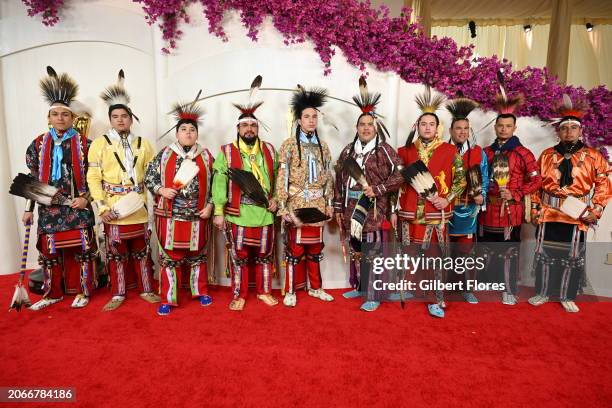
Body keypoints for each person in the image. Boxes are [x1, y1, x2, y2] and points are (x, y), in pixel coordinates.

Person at [529, 95, 611, 313]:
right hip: (549, 212)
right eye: (564, 128)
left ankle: (567, 295)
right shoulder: (546, 155)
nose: (569, 132)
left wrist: (596, 210)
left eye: (573, 128)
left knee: (572, 256)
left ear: (580, 131)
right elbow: (536, 185)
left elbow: (604, 184)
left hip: (577, 214)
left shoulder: (593, 156)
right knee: (545, 254)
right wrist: (535, 208)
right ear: (558, 131)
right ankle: (543, 292)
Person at [87, 69, 160, 311]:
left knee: (141, 251)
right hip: (114, 209)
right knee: (116, 254)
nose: (120, 120)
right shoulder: (100, 144)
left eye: (124, 116)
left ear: (131, 118)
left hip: (138, 208)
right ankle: (118, 293)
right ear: (110, 119)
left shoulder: (144, 144)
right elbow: (94, 177)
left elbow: (151, 176)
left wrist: (153, 205)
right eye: (115, 116)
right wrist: (101, 206)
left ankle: (147, 289)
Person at [25, 66, 96, 310]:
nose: (60, 118)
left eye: (65, 115)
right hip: (49, 208)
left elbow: (97, 176)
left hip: (77, 207)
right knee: (49, 253)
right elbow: (32, 177)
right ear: (49, 117)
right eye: (55, 114)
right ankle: (52, 293)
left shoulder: (86, 145)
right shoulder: (38, 144)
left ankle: (83, 291)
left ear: (73, 118)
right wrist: (28, 208)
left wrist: (87, 198)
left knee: (82, 250)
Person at [394, 86, 466, 318]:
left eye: (431, 124)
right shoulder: (404, 151)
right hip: (409, 212)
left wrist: (448, 199)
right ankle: (410, 288)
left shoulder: (449, 151)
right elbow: (396, 183)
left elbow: (461, 180)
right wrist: (395, 209)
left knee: (435, 257)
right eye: (423, 124)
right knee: (410, 253)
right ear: (417, 126)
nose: (427, 127)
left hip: (436, 214)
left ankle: (435, 298)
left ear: (438, 127)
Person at [333, 78, 403, 312]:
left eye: (370, 125)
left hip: (372, 209)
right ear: (357, 127)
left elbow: (401, 174)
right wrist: (337, 209)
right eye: (362, 124)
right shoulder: (347, 151)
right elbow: (338, 181)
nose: (365, 128)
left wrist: (379, 189)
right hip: (350, 207)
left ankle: (374, 294)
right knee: (356, 250)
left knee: (373, 252)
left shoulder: (384, 150)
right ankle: (360, 286)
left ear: (376, 128)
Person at [212, 80, 280, 311]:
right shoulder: (227, 152)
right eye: (245, 126)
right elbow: (219, 181)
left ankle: (264, 292)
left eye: (253, 125)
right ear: (238, 129)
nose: (249, 129)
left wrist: (277, 200)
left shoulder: (270, 150)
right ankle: (239, 294)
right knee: (239, 258)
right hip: (238, 213)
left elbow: (281, 177)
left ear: (258, 129)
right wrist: (219, 211)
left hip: (265, 214)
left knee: (264, 256)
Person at [145, 96, 214, 315]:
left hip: (198, 214)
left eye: (192, 130)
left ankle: (200, 291)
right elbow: (149, 177)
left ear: (197, 134)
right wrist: (161, 190)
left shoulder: (206, 157)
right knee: (170, 257)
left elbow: (217, 185)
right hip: (170, 215)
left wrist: (211, 206)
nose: (188, 133)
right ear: (177, 134)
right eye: (183, 129)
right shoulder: (164, 155)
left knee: (197, 256)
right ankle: (168, 298)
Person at [478, 85, 541, 305]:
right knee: (486, 249)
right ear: (495, 127)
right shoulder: (485, 152)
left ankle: (509, 289)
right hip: (487, 212)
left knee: (509, 251)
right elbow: (478, 179)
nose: (504, 129)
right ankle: (487, 283)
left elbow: (536, 180)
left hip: (511, 212)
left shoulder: (523, 153)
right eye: (500, 126)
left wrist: (515, 193)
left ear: (514, 128)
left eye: (508, 126)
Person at [276, 86, 335, 307]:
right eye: (307, 117)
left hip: (318, 204)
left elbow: (329, 176)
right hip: (297, 204)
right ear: (299, 120)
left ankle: (316, 287)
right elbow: (282, 176)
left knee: (315, 248)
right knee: (295, 249)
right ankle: (290, 290)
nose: (311, 120)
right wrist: (283, 207)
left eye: (314, 117)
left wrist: (329, 203)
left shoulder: (324, 147)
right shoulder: (289, 145)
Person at [446, 97, 488, 304]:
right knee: (443, 250)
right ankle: (441, 288)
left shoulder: (478, 153)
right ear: (451, 131)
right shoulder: (441, 151)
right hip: (445, 209)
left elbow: (485, 177)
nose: (462, 132)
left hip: (468, 209)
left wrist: (482, 196)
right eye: (458, 128)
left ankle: (466, 289)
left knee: (466, 253)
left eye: (465, 128)